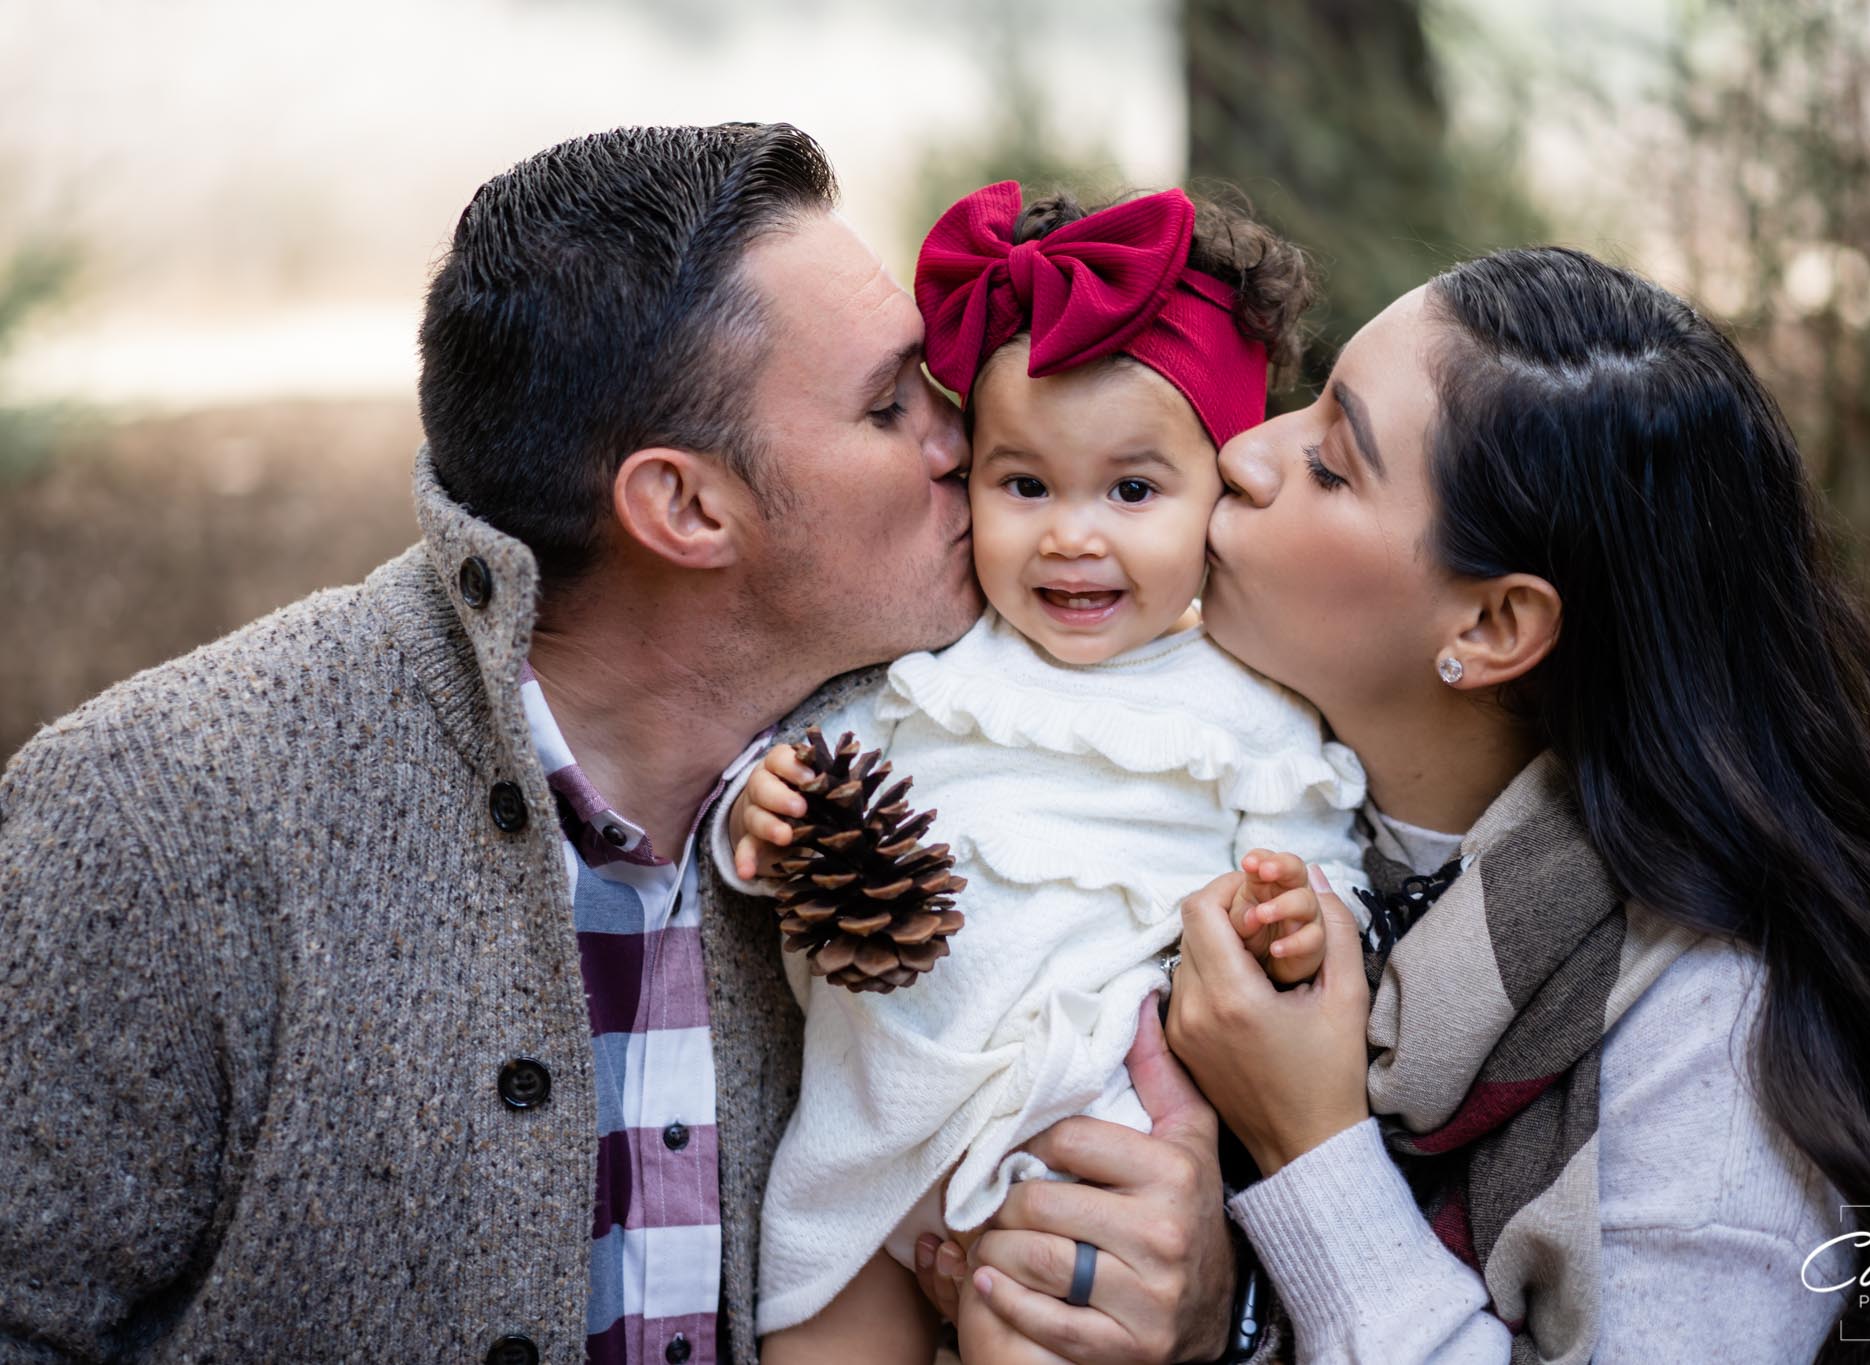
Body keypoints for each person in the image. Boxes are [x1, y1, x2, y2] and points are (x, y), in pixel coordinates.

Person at [0, 125, 1245, 1365]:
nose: (964, 440)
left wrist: (1211, 1310)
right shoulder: (155, 818)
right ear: (686, 507)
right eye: (887, 407)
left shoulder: (964, 749)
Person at [1157, 246, 1870, 1362]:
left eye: (1331, 465)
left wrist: (1307, 1149)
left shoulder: (1714, 1058)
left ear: (1488, 629)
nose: (1240, 452)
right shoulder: (1204, 793)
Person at [712, 181, 1361, 1364]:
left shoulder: (1251, 711)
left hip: (1072, 1141)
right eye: (1023, 485)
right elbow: (804, 778)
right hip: (873, 1140)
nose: (1071, 534)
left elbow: (1320, 876)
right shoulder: (930, 661)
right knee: (812, 1333)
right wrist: (761, 812)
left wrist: (1297, 925)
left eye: (1131, 490)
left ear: (1220, 486)